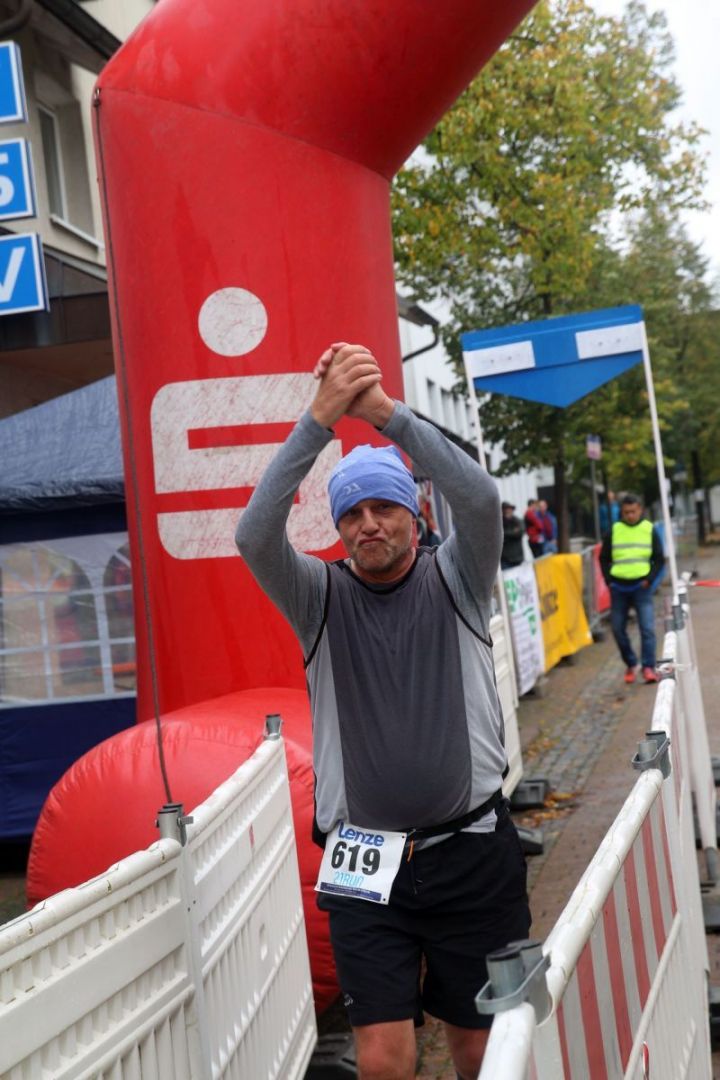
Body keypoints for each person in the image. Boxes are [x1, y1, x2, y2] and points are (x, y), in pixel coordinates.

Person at [236, 342, 531, 1080]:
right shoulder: (318, 597)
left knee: (479, 1048)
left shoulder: (458, 576)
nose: (369, 524)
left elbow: (479, 498)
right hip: (365, 864)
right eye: (353, 513)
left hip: (470, 851)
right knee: (383, 1056)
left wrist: (386, 416)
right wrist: (318, 421)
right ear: (339, 526)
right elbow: (253, 535)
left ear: (413, 514)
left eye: (385, 508)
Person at [599, 492, 665, 685]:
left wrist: (649, 580)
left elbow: (659, 559)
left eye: (633, 512)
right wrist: (609, 581)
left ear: (640, 510)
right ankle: (631, 663)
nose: (630, 515)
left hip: (641, 587)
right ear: (621, 512)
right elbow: (603, 558)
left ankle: (648, 667)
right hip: (618, 587)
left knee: (647, 629)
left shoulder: (649, 529)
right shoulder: (614, 530)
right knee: (617, 629)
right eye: (626, 512)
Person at [500, 500, 524, 569]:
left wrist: (507, 534)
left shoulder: (517, 520)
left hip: (518, 558)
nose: (507, 511)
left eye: (509, 509)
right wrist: (513, 532)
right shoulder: (500, 523)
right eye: (505, 509)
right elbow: (501, 535)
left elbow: (520, 532)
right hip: (506, 559)